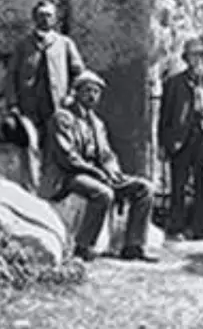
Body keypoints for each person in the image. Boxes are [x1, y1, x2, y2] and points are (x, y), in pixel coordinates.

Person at [49, 72, 155, 262]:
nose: (92, 95)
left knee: (144, 189)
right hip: (69, 175)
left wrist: (114, 172)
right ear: (77, 92)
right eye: (87, 90)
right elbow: (67, 157)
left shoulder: (97, 123)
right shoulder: (63, 119)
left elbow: (106, 154)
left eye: (96, 92)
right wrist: (96, 172)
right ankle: (83, 247)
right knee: (103, 193)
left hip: (96, 174)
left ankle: (133, 245)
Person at [5, 0, 85, 196]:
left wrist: (71, 96)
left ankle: (48, 193)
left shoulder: (65, 44)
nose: (44, 19)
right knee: (30, 148)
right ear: (34, 18)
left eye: (49, 15)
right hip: (29, 108)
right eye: (40, 15)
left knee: (55, 152)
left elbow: (79, 73)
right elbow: (11, 75)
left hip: (56, 109)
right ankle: (30, 192)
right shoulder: (23, 45)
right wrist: (13, 103)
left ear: (55, 19)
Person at [157, 37, 203, 240]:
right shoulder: (174, 83)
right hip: (182, 138)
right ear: (186, 59)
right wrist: (163, 142)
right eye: (193, 56)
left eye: (201, 55)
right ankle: (176, 226)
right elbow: (165, 116)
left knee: (202, 184)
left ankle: (200, 228)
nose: (197, 60)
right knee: (178, 184)